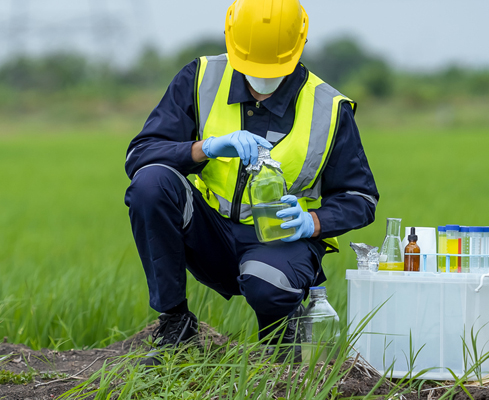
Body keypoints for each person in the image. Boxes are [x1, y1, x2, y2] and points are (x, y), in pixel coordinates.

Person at [124, 0, 379, 364]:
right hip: (209, 232)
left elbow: (360, 197)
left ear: (299, 46)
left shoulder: (328, 107)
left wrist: (312, 222)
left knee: (268, 284)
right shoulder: (200, 78)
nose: (262, 79)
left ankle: (280, 338)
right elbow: (140, 156)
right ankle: (176, 326)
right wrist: (205, 148)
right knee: (151, 184)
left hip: (279, 242)